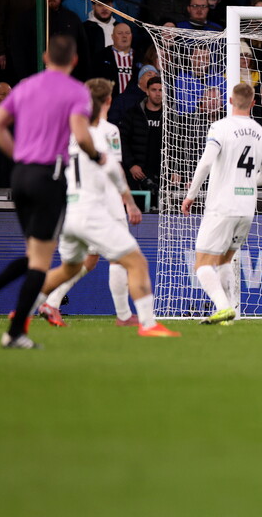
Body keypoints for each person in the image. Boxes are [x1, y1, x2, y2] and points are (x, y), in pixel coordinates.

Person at [0, 36, 103, 349]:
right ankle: (12, 331)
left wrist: (18, 156)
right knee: (41, 263)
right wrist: (97, 156)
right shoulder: (76, 91)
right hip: (49, 176)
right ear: (75, 61)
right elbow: (81, 136)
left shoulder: (25, 86)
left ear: (44, 56)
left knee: (33, 258)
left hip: (21, 175)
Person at [37, 78, 178, 337]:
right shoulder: (109, 130)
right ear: (109, 100)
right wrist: (128, 202)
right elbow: (114, 169)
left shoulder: (71, 130)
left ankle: (47, 303)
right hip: (104, 202)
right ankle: (127, 316)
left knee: (85, 261)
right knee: (126, 259)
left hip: (73, 204)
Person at [181, 82, 262, 325]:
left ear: (230, 101)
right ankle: (230, 314)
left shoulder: (220, 127)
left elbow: (205, 163)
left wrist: (191, 195)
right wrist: (244, 179)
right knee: (224, 261)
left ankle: (223, 307)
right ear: (253, 103)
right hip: (246, 209)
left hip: (222, 206)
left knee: (202, 264)